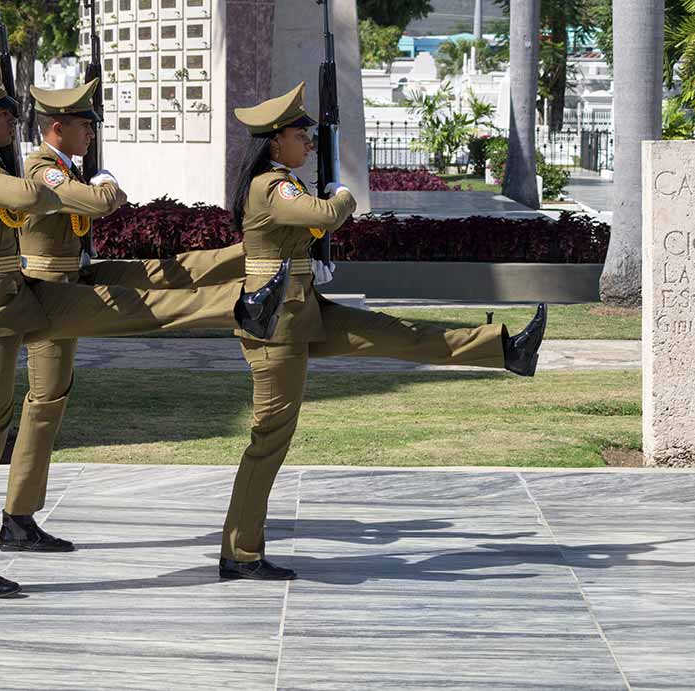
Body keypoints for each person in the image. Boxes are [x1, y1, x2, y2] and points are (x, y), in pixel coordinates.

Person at [0, 62, 284, 598]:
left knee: (133, 305)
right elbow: (19, 200)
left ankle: (239, 290)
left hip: (19, 299)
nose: (11, 118)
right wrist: (74, 183)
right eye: (3, 113)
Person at [218, 83, 548, 581]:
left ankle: (506, 350)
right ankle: (240, 553)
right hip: (277, 328)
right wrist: (344, 191)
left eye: (310, 136)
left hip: (304, 313)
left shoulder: (281, 182)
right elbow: (327, 216)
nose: (307, 142)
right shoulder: (273, 186)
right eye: (299, 135)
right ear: (273, 142)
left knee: (400, 333)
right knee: (268, 440)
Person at [1, 79, 247, 553]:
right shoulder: (42, 168)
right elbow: (101, 204)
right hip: (52, 291)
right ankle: (17, 517)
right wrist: (102, 180)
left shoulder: (60, 166)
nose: (92, 133)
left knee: (163, 274)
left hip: (76, 276)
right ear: (58, 127)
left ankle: (245, 257)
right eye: (85, 125)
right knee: (46, 400)